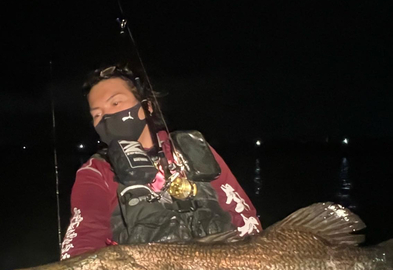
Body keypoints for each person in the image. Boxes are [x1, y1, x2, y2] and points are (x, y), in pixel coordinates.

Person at [60, 65, 261, 259]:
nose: (106, 117)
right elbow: (84, 237)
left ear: (147, 106)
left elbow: (242, 215)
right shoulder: (96, 171)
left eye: (115, 103)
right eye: (97, 114)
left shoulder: (194, 149)